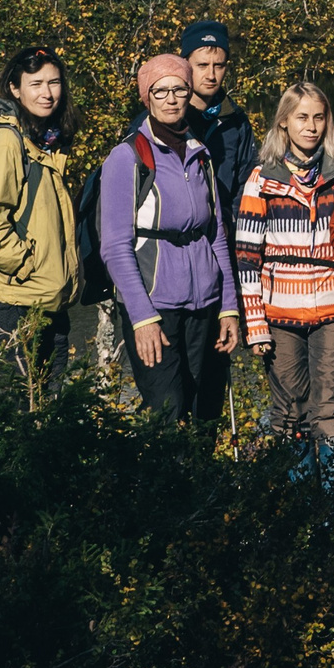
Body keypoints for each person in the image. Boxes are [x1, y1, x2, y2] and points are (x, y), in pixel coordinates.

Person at [97, 53, 240, 422]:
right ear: (147, 98)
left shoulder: (200, 154)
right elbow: (115, 247)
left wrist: (228, 307)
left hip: (204, 304)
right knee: (167, 410)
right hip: (155, 307)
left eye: (179, 89)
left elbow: (217, 237)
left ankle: (203, 480)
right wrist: (142, 318)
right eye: (160, 92)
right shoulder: (127, 157)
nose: (172, 99)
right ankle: (165, 482)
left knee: (203, 410)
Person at [236, 81, 334, 473]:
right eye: (302, 117)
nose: (311, 126)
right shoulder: (262, 178)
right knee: (290, 407)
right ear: (284, 123)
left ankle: (332, 497)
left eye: (319, 117)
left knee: (332, 402)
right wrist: (255, 324)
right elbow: (246, 257)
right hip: (280, 312)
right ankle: (299, 505)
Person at [0, 45, 80, 389]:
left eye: (54, 83)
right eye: (36, 83)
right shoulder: (8, 141)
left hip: (49, 304)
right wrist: (25, 264)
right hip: (14, 306)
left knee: (48, 417)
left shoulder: (46, 142)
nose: (47, 93)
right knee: (11, 418)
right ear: (15, 89)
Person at [176, 19, 261, 209]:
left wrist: (230, 222)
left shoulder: (236, 122)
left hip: (224, 234)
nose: (211, 75)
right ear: (185, 65)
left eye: (219, 66)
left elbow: (247, 183)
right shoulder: (167, 120)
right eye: (202, 65)